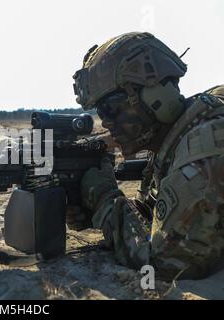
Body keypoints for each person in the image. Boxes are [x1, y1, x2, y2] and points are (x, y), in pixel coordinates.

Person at [73, 32, 224, 280]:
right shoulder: (181, 134)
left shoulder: (203, 152)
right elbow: (154, 216)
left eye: (111, 109)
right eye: (101, 112)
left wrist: (105, 202)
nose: (107, 122)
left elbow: (162, 263)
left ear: (157, 98)